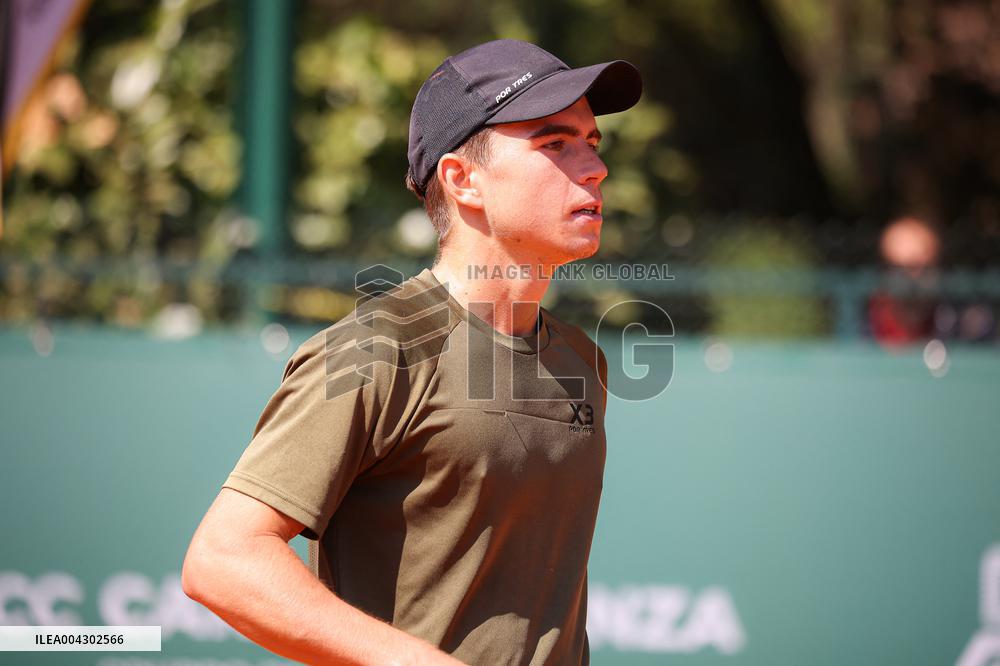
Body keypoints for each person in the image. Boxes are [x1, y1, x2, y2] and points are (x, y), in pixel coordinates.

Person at [182, 38, 642, 665]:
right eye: (554, 144)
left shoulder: (583, 362)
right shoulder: (374, 348)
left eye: (593, 142)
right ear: (462, 180)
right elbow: (223, 559)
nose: (594, 166)